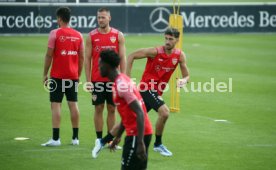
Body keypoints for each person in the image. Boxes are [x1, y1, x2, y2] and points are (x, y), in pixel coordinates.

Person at [126, 27, 190, 156]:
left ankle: (106, 139)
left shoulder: (179, 55)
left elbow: (186, 76)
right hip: (147, 88)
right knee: (165, 112)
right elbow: (131, 55)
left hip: (157, 91)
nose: (167, 41)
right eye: (166, 38)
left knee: (133, 117)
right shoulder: (154, 51)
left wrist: (184, 81)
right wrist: (127, 79)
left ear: (177, 40)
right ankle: (158, 144)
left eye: (170, 39)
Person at [92, 49, 152, 170]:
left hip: (137, 135)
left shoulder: (121, 85)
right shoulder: (121, 81)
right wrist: (117, 136)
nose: (98, 67)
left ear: (107, 65)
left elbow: (140, 112)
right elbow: (127, 116)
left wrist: (140, 143)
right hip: (139, 133)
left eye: (100, 64)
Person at [41, 7, 84, 146]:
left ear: (59, 18)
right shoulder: (79, 35)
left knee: (56, 105)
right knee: (73, 104)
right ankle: (75, 139)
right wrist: (78, 74)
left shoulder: (54, 33)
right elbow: (82, 57)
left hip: (57, 75)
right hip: (72, 76)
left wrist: (45, 74)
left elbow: (49, 55)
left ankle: (56, 139)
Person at [85, 7, 126, 148]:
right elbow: (87, 59)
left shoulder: (118, 35)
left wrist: (123, 78)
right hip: (97, 79)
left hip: (113, 80)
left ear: (109, 18)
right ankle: (98, 139)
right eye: (98, 17)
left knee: (112, 109)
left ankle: (109, 139)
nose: (100, 20)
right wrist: (88, 81)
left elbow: (122, 58)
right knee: (98, 108)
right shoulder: (91, 36)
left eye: (103, 17)